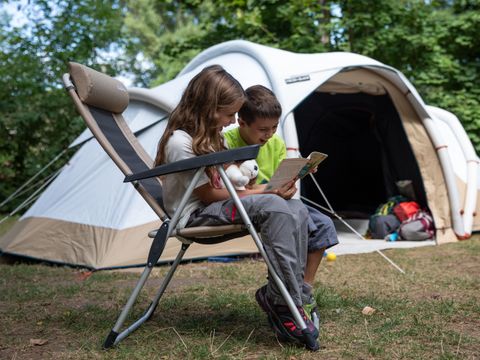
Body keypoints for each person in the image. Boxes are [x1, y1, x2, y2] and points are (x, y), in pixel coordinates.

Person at [154, 65, 318, 346]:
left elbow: (232, 188)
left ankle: (284, 297)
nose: (231, 121)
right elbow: (210, 196)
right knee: (276, 207)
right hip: (195, 215)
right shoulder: (181, 142)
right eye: (229, 114)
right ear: (208, 107)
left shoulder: (209, 137)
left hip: (217, 206)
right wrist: (269, 196)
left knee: (296, 207)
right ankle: (286, 305)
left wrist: (274, 188)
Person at [224, 85, 339, 327]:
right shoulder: (227, 142)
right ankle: (284, 297)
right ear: (241, 122)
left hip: (278, 199)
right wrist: (271, 190)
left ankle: (304, 289)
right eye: (262, 129)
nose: (268, 134)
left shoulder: (275, 143)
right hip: (252, 204)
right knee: (289, 221)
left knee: (323, 225)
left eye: (274, 127)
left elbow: (279, 178)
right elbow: (233, 187)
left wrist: (298, 174)